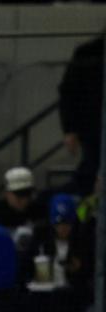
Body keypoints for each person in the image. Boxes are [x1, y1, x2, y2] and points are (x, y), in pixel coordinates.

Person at [58, 35, 103, 195]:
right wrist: (70, 129)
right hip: (93, 128)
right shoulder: (88, 53)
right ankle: (82, 216)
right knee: (90, 174)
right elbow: (68, 92)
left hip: (92, 126)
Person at [20, 194, 92, 294]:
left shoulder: (82, 239)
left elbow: (90, 273)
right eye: (58, 224)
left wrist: (80, 269)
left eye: (66, 224)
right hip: (46, 295)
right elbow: (26, 266)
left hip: (74, 296)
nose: (62, 228)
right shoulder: (41, 237)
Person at [0, 166, 44, 237]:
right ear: (7, 194)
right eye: (19, 195)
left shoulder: (38, 211)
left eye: (27, 194)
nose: (24, 200)